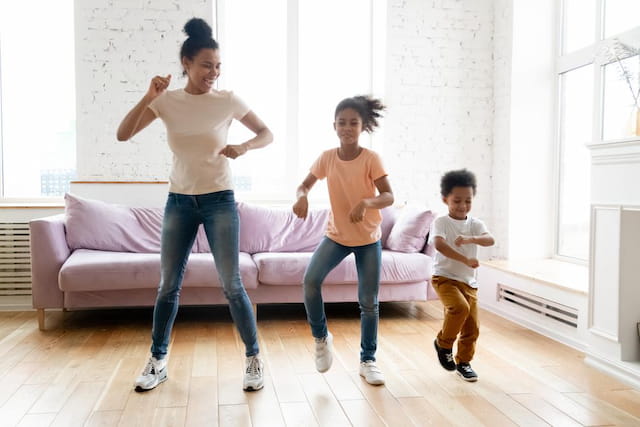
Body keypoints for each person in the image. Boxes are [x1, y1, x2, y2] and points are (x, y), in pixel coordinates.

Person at [117, 17, 273, 392]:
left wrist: (243, 147)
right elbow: (123, 134)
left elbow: (267, 133)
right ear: (186, 62)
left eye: (218, 66)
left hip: (220, 200)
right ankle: (158, 360)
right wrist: (148, 97)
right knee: (168, 285)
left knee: (231, 284)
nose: (213, 73)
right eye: (206, 65)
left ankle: (254, 358)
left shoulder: (228, 100)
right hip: (179, 203)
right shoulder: (166, 102)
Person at [292, 95, 393, 385]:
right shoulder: (327, 158)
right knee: (310, 282)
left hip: (367, 238)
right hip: (337, 236)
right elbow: (304, 185)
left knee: (369, 302)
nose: (347, 128)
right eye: (342, 123)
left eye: (353, 123)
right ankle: (321, 338)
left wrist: (366, 203)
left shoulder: (371, 159)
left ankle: (368, 360)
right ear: (334, 126)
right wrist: (301, 197)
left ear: (363, 127)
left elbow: (389, 195)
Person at [430, 169, 494, 382]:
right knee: (459, 308)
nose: (462, 206)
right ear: (445, 199)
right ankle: (443, 344)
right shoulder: (441, 222)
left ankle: (464, 363)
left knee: (472, 327)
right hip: (444, 277)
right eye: (457, 201)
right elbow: (439, 245)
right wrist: (465, 259)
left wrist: (470, 239)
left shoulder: (475, 224)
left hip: (469, 282)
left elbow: (489, 240)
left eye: (468, 201)